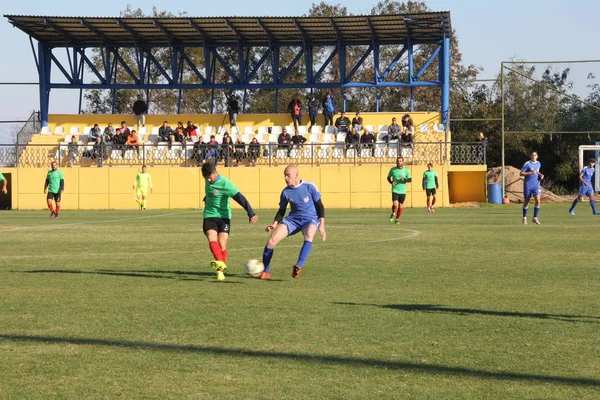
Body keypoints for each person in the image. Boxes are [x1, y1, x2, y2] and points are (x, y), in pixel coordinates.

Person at [259, 164, 326, 280]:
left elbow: (320, 206)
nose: (286, 178)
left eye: (288, 175)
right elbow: (282, 210)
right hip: (293, 220)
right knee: (271, 241)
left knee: (309, 235)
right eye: (284, 175)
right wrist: (274, 224)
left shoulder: (309, 186)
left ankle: (298, 267)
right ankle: (266, 271)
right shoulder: (285, 192)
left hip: (310, 219)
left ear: (296, 175)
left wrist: (322, 226)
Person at [201, 161, 258, 280]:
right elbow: (211, 191)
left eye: (210, 178)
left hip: (224, 216)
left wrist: (250, 212)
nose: (209, 180)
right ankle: (221, 266)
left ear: (215, 173)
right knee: (212, 237)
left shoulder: (226, 184)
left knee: (222, 243)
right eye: (206, 178)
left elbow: (239, 197)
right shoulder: (208, 178)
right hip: (209, 215)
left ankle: (220, 269)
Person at [520, 151, 544, 225]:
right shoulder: (527, 164)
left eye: (535, 155)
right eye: (532, 155)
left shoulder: (538, 163)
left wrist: (541, 175)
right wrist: (530, 173)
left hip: (536, 185)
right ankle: (524, 218)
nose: (534, 156)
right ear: (531, 156)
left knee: (538, 200)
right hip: (528, 185)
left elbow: (537, 172)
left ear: (537, 156)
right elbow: (521, 173)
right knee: (527, 201)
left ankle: (535, 218)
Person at [387, 157, 411, 224]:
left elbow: (410, 179)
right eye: (398, 161)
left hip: (403, 191)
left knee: (401, 206)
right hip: (395, 189)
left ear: (402, 162)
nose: (399, 162)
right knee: (395, 204)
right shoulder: (393, 169)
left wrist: (405, 180)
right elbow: (388, 178)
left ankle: (397, 219)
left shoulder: (406, 170)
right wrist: (391, 182)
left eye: (400, 161)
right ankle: (393, 213)